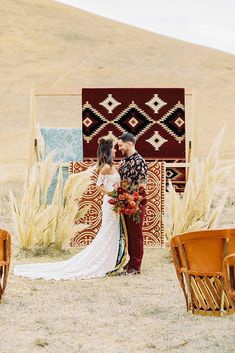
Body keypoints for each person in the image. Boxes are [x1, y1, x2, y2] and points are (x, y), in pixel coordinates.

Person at [14, 137, 121, 280]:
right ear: (108, 150)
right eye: (113, 148)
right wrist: (111, 193)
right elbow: (98, 185)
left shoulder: (112, 165)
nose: (115, 150)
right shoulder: (106, 167)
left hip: (115, 202)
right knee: (108, 230)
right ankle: (104, 261)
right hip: (110, 202)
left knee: (112, 231)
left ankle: (111, 260)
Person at [118, 133, 148, 275]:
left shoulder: (140, 161)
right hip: (124, 201)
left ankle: (136, 266)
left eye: (121, 145)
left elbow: (142, 184)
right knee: (129, 234)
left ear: (129, 144)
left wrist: (135, 201)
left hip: (136, 201)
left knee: (136, 235)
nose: (119, 148)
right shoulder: (123, 162)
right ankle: (130, 262)